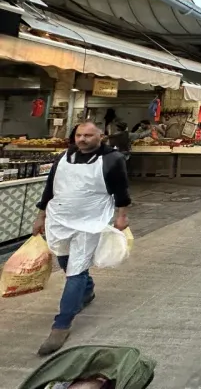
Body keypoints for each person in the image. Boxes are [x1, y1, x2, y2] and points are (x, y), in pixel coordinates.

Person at [32, 121, 130, 356]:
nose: (82, 139)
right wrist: (41, 215)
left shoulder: (112, 159)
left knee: (75, 271)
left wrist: (122, 216)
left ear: (101, 137)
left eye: (88, 135)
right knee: (66, 263)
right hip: (59, 218)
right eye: (79, 135)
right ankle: (87, 290)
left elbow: (121, 190)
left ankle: (61, 325)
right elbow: (50, 187)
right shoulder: (63, 157)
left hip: (91, 221)